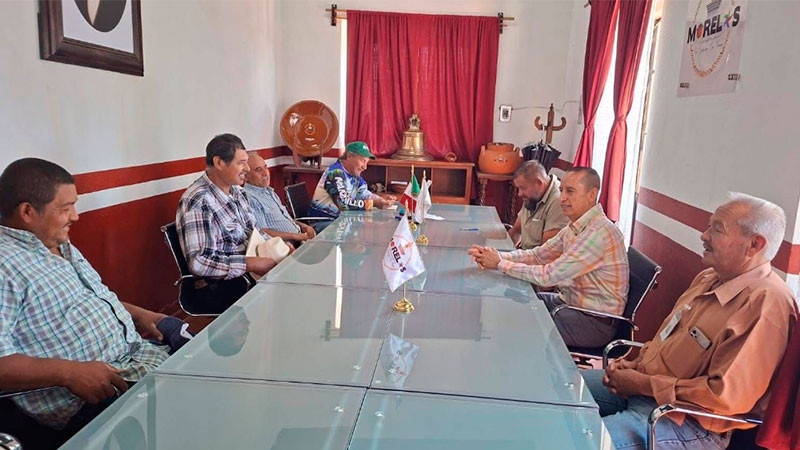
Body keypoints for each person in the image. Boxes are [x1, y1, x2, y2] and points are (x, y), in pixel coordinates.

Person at [581, 193, 797, 450]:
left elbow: (724, 398)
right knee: (562, 389)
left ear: (753, 245)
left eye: (717, 229)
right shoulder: (708, 277)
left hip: (689, 423)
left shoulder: (765, 304)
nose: (704, 235)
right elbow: (667, 338)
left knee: (576, 440)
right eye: (708, 226)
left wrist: (642, 383)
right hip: (647, 391)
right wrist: (633, 366)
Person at [0, 158, 181, 432]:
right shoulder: (6, 265)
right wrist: (68, 372)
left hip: (138, 358)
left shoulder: (58, 241)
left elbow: (92, 297)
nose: (76, 216)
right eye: (65, 208)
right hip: (96, 397)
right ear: (27, 212)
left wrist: (142, 315)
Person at [468, 166, 628, 348]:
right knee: (515, 304)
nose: (562, 198)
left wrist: (499, 264)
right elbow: (538, 255)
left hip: (592, 323)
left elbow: (548, 276)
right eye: (561, 190)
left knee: (520, 326)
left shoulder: (598, 233)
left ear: (592, 195)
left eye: (570, 191)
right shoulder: (575, 226)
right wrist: (496, 256)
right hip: (570, 304)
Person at [175, 134, 279, 313]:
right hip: (219, 286)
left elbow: (252, 231)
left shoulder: (238, 192)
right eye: (241, 163)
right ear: (219, 163)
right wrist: (250, 264)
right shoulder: (199, 201)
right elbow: (200, 263)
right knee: (284, 296)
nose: (247, 168)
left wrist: (277, 246)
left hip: (246, 274)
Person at [309, 141, 395, 224]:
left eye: (367, 162)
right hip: (324, 223)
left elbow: (364, 194)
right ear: (349, 156)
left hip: (341, 221)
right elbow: (343, 205)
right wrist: (373, 204)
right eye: (362, 161)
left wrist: (380, 199)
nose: (365, 167)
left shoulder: (354, 175)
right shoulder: (335, 173)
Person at [244, 152, 316, 246]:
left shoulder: (268, 191)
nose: (265, 173)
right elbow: (262, 232)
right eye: (258, 170)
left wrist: (303, 226)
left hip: (300, 239)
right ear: (245, 177)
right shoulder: (250, 198)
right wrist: (296, 236)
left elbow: (284, 219)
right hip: (286, 246)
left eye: (265, 167)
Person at [507, 161, 569, 249]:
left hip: (536, 259)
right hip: (523, 256)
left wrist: (509, 260)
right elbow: (516, 230)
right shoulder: (533, 196)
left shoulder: (558, 201)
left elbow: (546, 252)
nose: (519, 194)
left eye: (523, 188)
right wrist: (499, 252)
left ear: (539, 183)